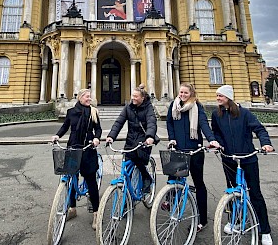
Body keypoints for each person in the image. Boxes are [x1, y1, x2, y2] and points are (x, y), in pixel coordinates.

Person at [211, 85, 274, 245]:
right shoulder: (217, 114)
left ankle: (265, 230)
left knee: (255, 195)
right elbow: (216, 132)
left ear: (229, 98)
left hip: (247, 158)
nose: (218, 98)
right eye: (217, 96)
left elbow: (259, 129)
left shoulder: (245, 114)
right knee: (232, 192)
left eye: (220, 96)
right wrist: (218, 143)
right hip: (229, 159)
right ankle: (235, 221)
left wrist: (266, 143)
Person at [166, 83, 220, 233]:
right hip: (178, 149)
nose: (182, 95)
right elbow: (169, 122)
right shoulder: (174, 105)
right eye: (181, 92)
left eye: (185, 93)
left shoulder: (197, 107)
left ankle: (202, 220)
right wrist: (172, 138)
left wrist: (211, 139)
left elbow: (203, 124)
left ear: (191, 94)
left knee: (199, 183)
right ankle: (169, 201)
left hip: (194, 151)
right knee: (173, 177)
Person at [51, 88, 102, 230]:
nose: (89, 99)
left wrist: (97, 138)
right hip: (73, 146)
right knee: (71, 176)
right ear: (80, 97)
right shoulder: (71, 112)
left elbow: (98, 129)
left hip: (88, 147)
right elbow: (65, 126)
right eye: (87, 97)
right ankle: (72, 208)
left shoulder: (93, 112)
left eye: (90, 96)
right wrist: (57, 136)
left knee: (91, 180)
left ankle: (96, 214)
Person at [106, 84, 157, 194]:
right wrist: (111, 136)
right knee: (127, 165)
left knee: (137, 158)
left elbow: (151, 122)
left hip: (143, 140)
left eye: (136, 96)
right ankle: (127, 198)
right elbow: (119, 122)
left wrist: (149, 137)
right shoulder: (128, 107)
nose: (133, 98)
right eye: (132, 96)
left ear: (142, 98)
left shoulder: (148, 108)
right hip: (131, 140)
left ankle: (146, 177)